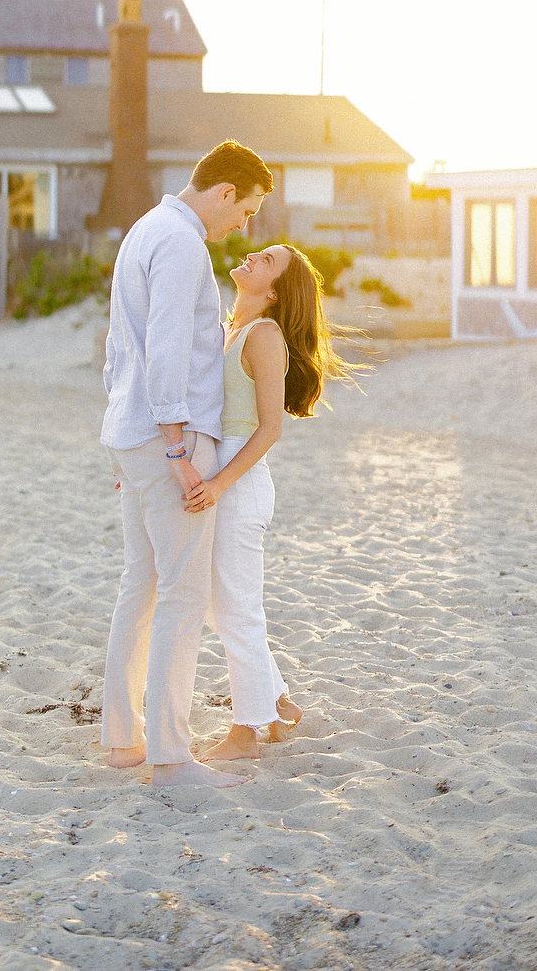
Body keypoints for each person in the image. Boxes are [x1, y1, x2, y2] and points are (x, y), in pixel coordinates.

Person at [100, 140, 274, 787]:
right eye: (248, 209)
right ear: (225, 191)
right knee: (180, 594)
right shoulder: (179, 243)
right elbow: (168, 350)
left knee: (140, 589)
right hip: (167, 437)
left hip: (134, 433)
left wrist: (131, 436)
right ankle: (171, 757)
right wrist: (175, 450)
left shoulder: (146, 228)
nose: (245, 225)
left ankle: (125, 741)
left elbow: (123, 348)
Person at [182, 244, 355, 763]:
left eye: (269, 260)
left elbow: (270, 429)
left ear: (276, 290)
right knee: (222, 605)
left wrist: (218, 485)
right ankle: (278, 701)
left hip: (242, 478)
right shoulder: (233, 328)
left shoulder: (264, 335)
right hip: (226, 474)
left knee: (236, 609)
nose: (254, 254)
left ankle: (246, 731)